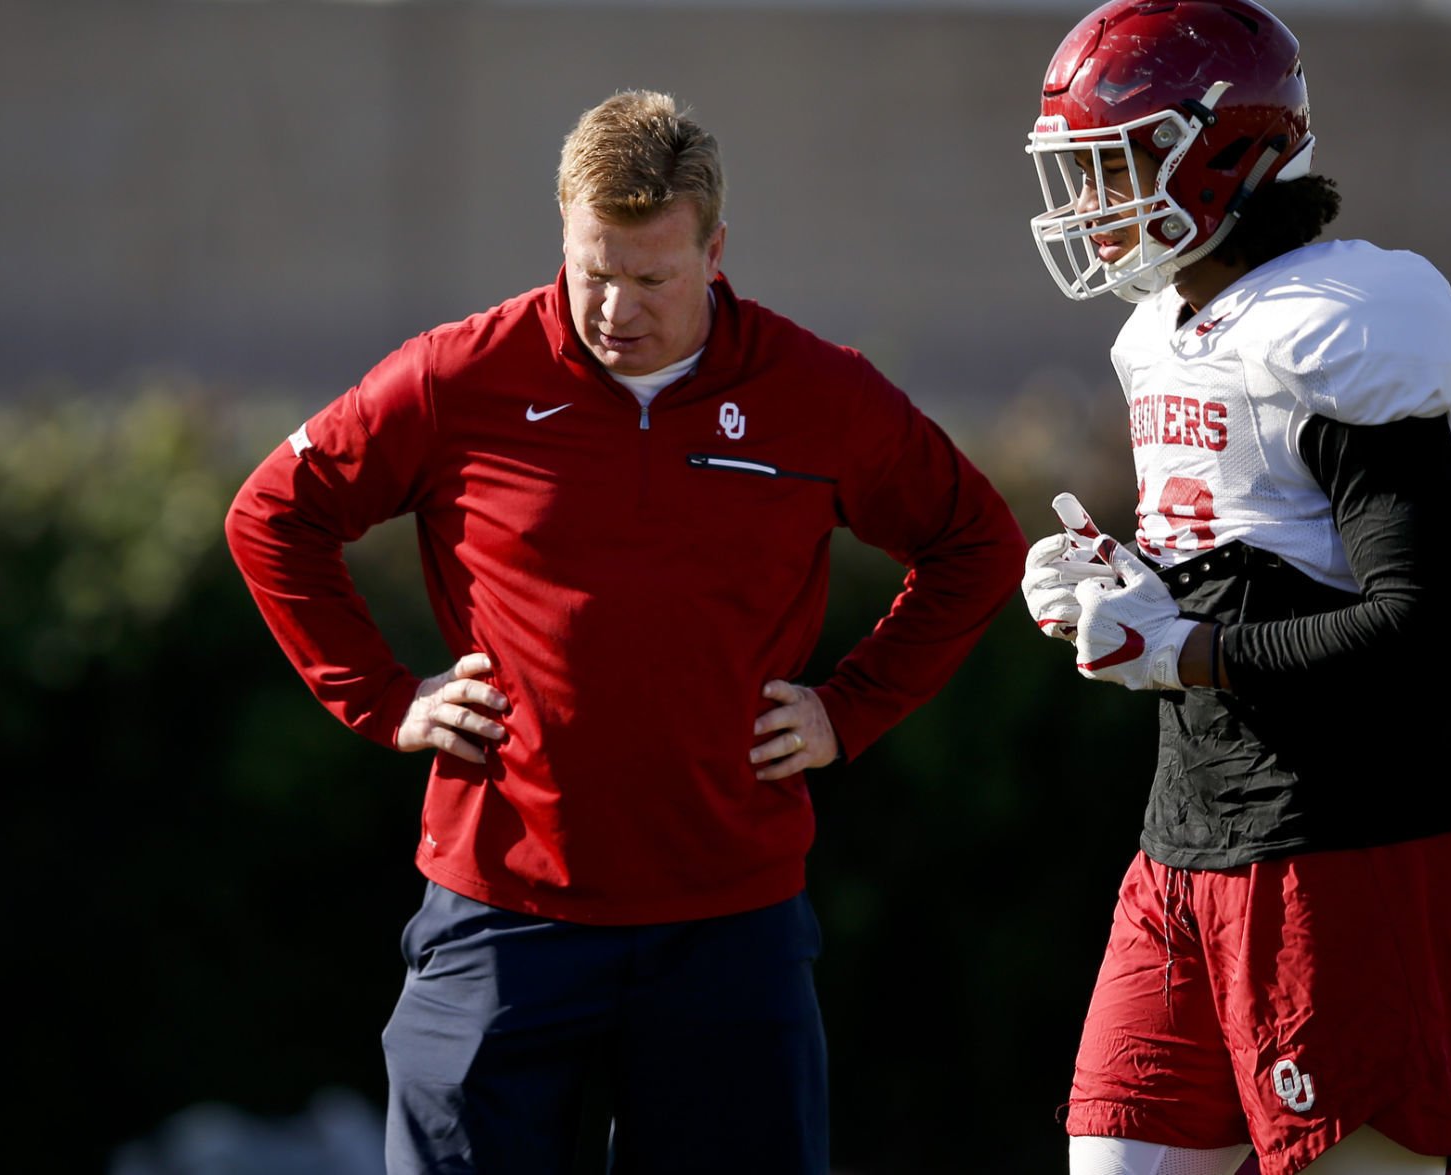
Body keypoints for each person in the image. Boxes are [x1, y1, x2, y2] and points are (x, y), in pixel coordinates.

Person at [224, 88, 1025, 1174]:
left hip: (728, 924)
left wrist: (853, 705)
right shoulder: (459, 373)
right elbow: (273, 513)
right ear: (562, 232)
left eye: (650, 276)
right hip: (499, 912)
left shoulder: (819, 393)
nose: (614, 307)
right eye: (591, 269)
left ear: (713, 250)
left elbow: (974, 540)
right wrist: (383, 696)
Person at [1016, 3, 1451, 1174]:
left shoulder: (1340, 326)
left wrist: (1184, 649)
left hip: (1348, 839)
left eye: (1111, 163)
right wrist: (1115, 589)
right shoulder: (1163, 332)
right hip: (1186, 832)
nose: (1087, 205)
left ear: (1218, 150)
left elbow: (1423, 621)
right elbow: (1230, 560)